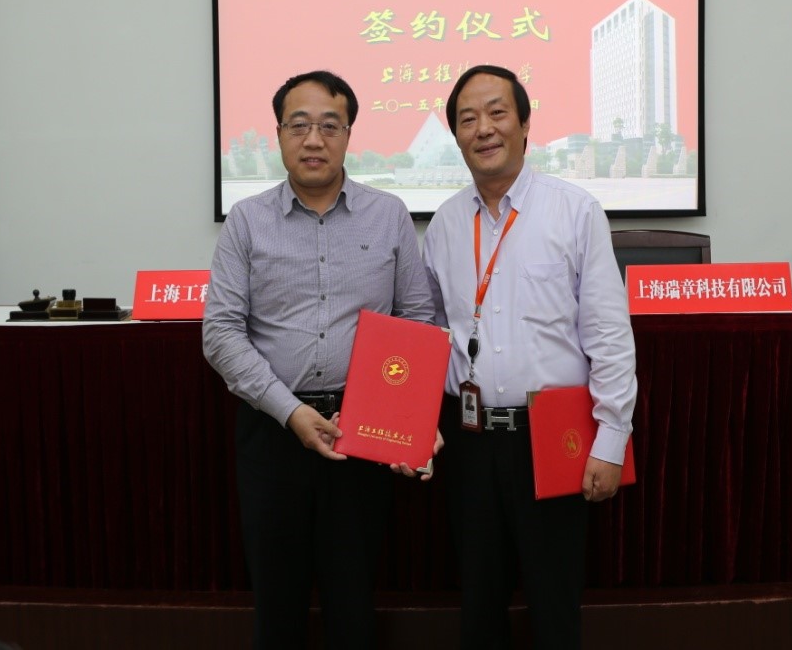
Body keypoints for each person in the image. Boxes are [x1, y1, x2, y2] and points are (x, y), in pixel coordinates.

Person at [203, 70, 434, 649]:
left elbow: (417, 320)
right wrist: (289, 411)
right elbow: (221, 332)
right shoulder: (247, 221)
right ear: (279, 134)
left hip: (365, 434)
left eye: (330, 126)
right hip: (273, 432)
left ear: (349, 134)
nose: (313, 140)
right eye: (298, 125)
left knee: (353, 601)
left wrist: (410, 418)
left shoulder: (388, 214)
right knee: (277, 603)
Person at [422, 64, 637, 650]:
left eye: (497, 113)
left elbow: (608, 333)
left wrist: (611, 439)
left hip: (553, 437)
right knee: (479, 605)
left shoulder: (575, 210)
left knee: (554, 606)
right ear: (456, 135)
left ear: (524, 124)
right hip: (468, 440)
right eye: (468, 119)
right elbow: (433, 333)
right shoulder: (444, 225)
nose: (483, 129)